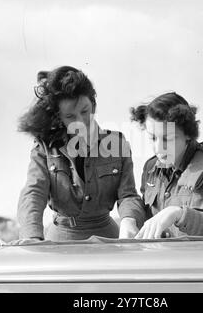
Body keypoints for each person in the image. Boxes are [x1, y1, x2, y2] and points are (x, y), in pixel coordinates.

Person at [15, 66, 145, 244]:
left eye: (85, 111)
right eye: (70, 116)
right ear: (59, 118)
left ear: (93, 103)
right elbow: (33, 192)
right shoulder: (44, 148)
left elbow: (128, 195)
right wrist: (31, 236)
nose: (81, 121)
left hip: (108, 240)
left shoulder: (117, 143)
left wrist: (129, 220)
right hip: (60, 242)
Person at [118, 92, 203, 239]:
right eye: (153, 138)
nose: (158, 148)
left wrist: (179, 214)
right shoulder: (151, 168)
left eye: (167, 139)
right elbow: (145, 211)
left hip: (199, 259)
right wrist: (129, 219)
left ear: (188, 134)